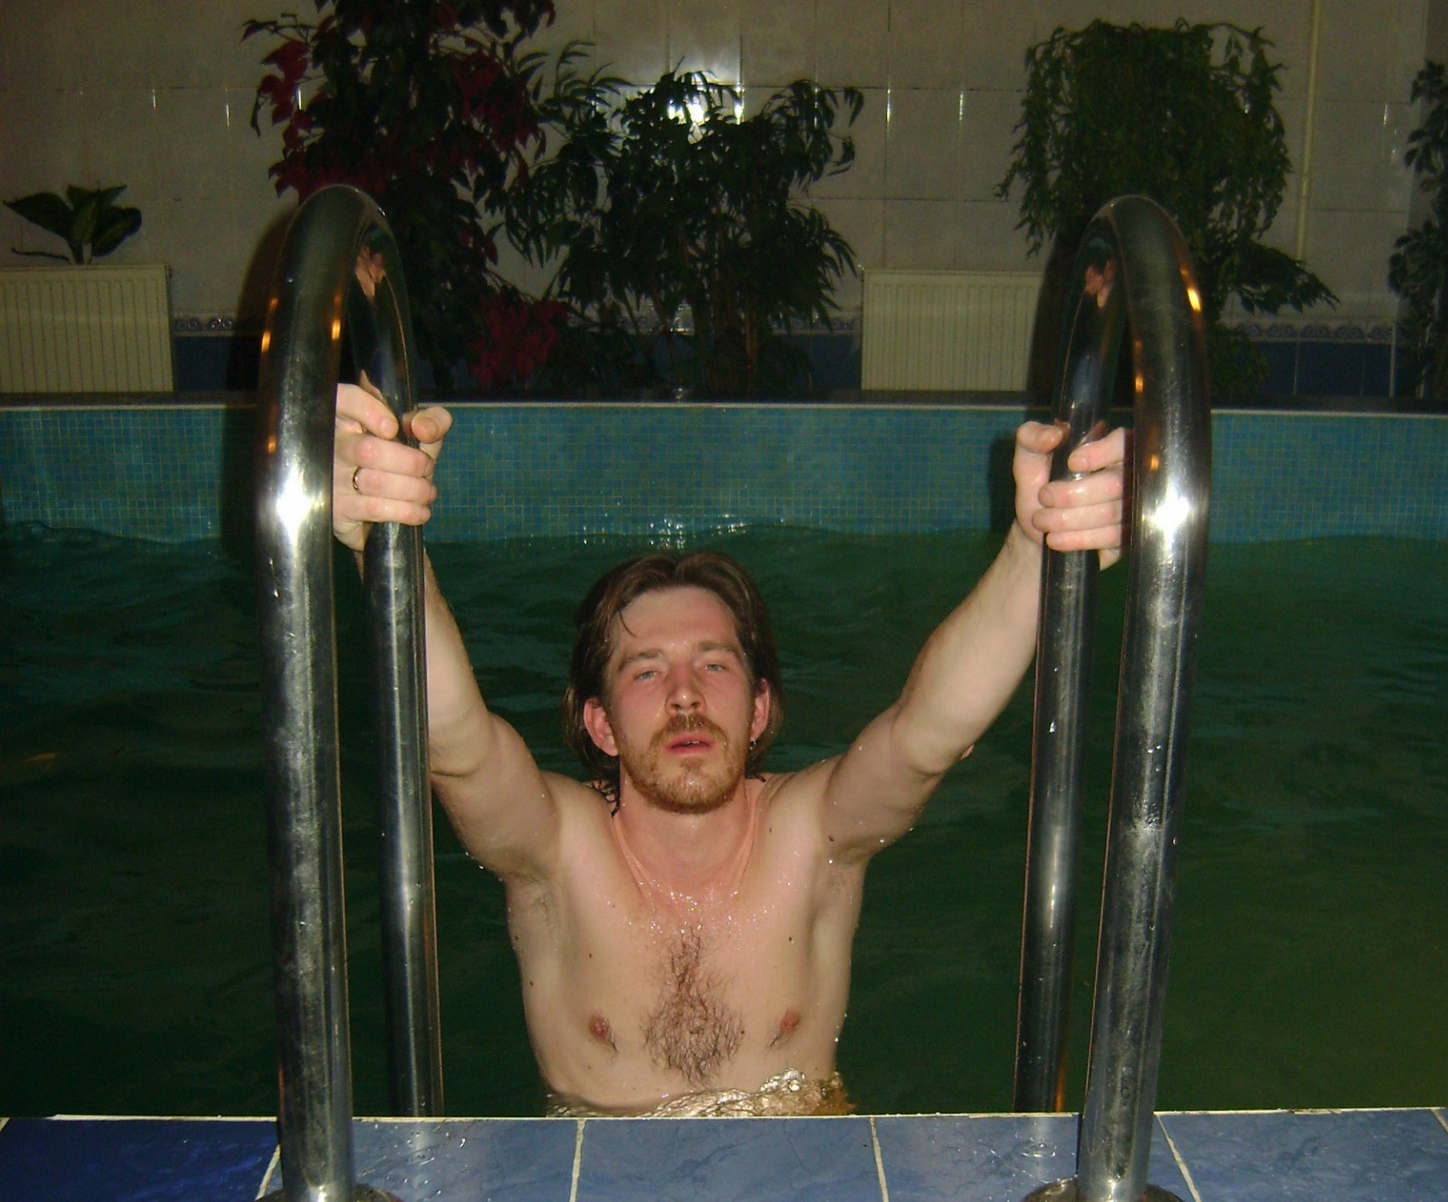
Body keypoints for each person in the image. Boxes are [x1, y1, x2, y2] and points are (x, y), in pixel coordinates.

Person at [333, 387, 1126, 1116]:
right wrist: (387, 544)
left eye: (714, 665)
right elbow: (455, 746)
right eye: (646, 671)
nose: (685, 695)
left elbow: (927, 736)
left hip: (804, 1173)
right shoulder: (555, 849)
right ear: (600, 725)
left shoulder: (812, 834)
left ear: (759, 710)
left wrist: (1033, 548)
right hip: (600, 1185)